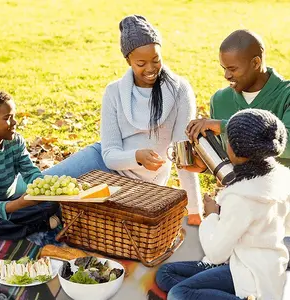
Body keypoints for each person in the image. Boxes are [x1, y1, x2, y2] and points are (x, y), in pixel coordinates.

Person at [41, 15, 202, 224]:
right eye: (141, 63)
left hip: (140, 185)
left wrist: (195, 210)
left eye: (156, 59)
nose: (151, 68)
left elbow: (183, 156)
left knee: (75, 215)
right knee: (40, 189)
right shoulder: (114, 92)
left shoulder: (180, 90)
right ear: (128, 61)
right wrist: (136, 156)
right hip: (102, 163)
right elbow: (109, 155)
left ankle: (50, 218)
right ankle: (3, 217)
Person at [156, 108, 290, 300]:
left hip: (249, 274)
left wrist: (212, 215)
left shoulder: (241, 197)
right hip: (263, 265)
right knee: (165, 274)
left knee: (179, 293)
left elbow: (216, 252)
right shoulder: (282, 177)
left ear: (234, 150)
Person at [185, 29, 290, 172]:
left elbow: (286, 143)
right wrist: (204, 166)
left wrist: (225, 127)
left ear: (256, 63)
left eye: (232, 69)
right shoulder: (220, 100)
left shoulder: (286, 95)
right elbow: (228, 162)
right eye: (224, 68)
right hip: (239, 190)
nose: (226, 75)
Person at [0, 90, 60, 240]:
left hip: (10, 201)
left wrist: (42, 189)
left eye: (14, 116)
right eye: (8, 118)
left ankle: (8, 232)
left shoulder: (15, 141)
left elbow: (30, 172)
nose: (15, 122)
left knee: (54, 203)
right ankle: (40, 224)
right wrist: (20, 204)